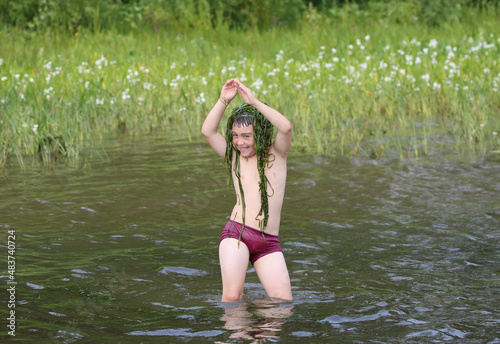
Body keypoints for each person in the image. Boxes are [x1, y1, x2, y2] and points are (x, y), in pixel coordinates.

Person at [201, 79, 293, 302]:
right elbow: (208, 131)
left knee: (282, 303)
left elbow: (286, 127)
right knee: (233, 297)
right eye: (234, 135)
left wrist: (254, 102)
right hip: (237, 233)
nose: (239, 142)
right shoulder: (233, 157)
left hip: (268, 241)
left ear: (260, 134)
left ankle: (257, 335)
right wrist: (224, 100)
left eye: (246, 136)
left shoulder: (276, 155)